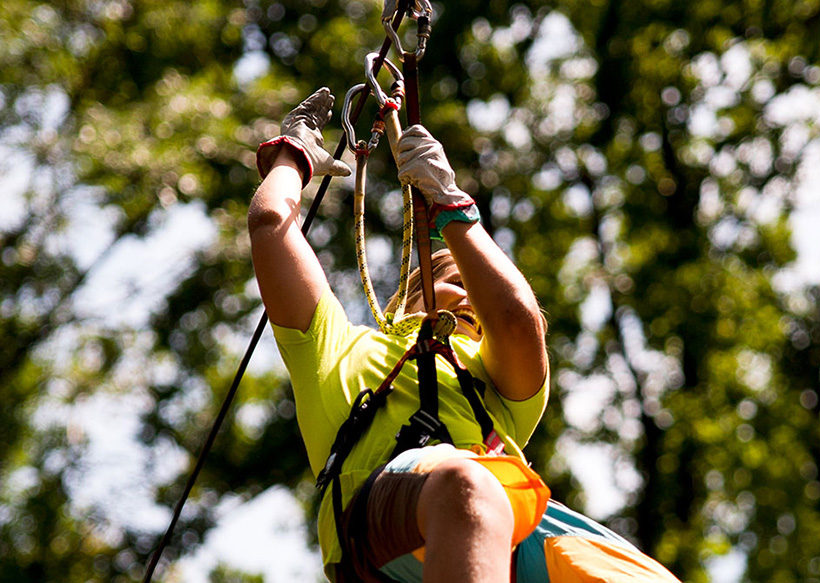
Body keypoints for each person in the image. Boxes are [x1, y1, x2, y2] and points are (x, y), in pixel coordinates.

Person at [248, 87, 681, 583]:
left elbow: (519, 322)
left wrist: (453, 206)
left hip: (499, 519)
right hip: (379, 530)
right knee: (466, 486)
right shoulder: (343, 350)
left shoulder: (490, 374)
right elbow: (270, 226)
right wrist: (291, 157)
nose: (474, 300)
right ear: (409, 297)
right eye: (458, 283)